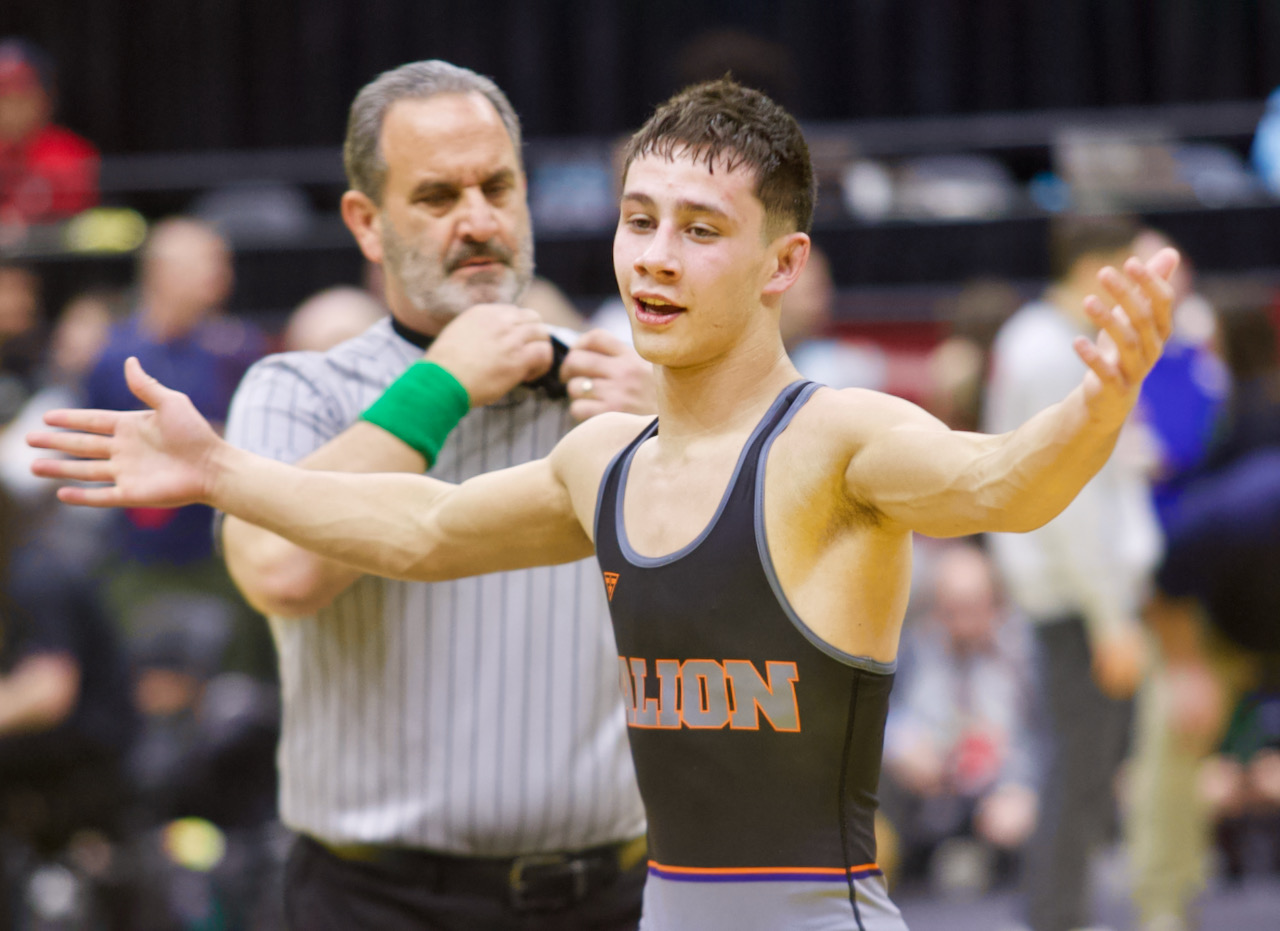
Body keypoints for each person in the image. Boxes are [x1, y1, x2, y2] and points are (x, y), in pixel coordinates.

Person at [29, 78, 1179, 931]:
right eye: (638, 221)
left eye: (699, 230)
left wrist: (1095, 401)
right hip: (543, 905)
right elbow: (418, 531)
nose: (655, 259)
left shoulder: (825, 431)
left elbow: (996, 484)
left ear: (780, 266)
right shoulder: (602, 457)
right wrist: (223, 470)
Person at [223, 61, 651, 931]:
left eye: (497, 186)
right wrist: (441, 386)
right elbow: (280, 571)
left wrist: (683, 444)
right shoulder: (295, 391)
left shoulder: (625, 388)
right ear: (366, 222)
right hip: (378, 906)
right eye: (438, 196)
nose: (479, 221)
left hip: (611, 898)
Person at [983, 214, 1163, 931]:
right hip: (1076, 597)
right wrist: (1109, 616)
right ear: (1100, 267)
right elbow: (1069, 502)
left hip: (1073, 591)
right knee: (1076, 768)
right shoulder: (1056, 350)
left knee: (1083, 767)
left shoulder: (1033, 337)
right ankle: (1056, 917)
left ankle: (1060, 912)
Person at [84, 217, 270, 675]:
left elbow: (267, 440)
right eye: (208, 263)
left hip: (224, 544)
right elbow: (87, 444)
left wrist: (204, 442)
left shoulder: (241, 349)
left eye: (222, 264)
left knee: (233, 677)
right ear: (160, 272)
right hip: (138, 549)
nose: (221, 275)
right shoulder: (112, 356)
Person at [880, 541, 1038, 888]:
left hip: (1003, 798)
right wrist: (902, 745)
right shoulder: (912, 649)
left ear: (996, 604)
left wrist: (1026, 789)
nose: (962, 623)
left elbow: (1047, 735)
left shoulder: (1024, 655)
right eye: (951, 610)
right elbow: (878, 716)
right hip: (928, 796)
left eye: (973, 608)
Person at [0, 38, 98, 228]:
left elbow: (76, 219)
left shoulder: (70, 153)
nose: (11, 105)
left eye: (22, 93)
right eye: (3, 94)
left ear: (46, 99)